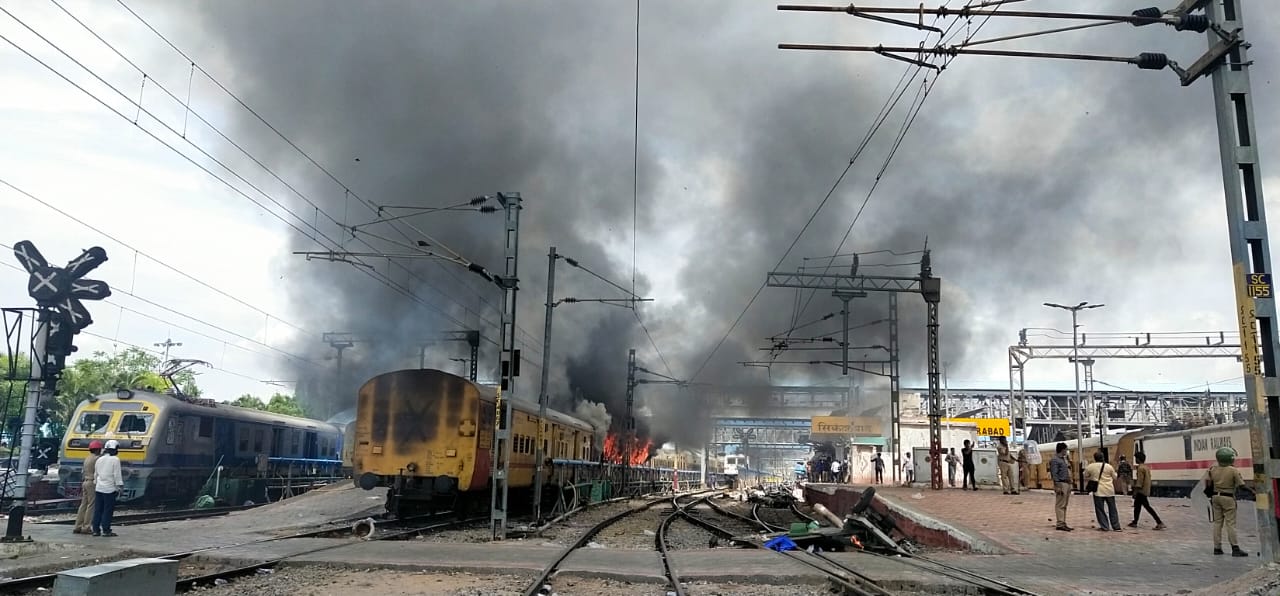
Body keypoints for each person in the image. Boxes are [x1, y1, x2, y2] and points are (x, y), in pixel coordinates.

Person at [1204, 447, 1250, 556]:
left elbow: (1207, 484)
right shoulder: (1233, 470)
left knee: (1217, 523)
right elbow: (1242, 486)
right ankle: (1235, 548)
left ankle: (1217, 548)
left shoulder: (1212, 469)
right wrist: (1253, 492)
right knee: (1230, 523)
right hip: (1228, 498)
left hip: (1215, 498)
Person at [91, 439, 123, 537]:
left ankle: (95, 530)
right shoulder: (115, 460)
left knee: (98, 509)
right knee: (107, 510)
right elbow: (117, 475)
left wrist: (96, 483)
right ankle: (106, 530)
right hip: (109, 489)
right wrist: (120, 486)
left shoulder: (99, 459)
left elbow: (96, 474)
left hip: (99, 488)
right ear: (114, 449)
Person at [1129, 452, 1165, 530]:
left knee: (1147, 507)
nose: (1135, 460)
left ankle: (1159, 522)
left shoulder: (1140, 468)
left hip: (1141, 491)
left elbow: (1139, 482)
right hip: (1145, 489)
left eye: (1136, 458)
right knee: (1137, 506)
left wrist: (1135, 491)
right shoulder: (1146, 467)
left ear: (1138, 459)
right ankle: (1135, 522)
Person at [1085, 451, 1120, 532]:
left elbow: (1085, 475)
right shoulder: (1109, 466)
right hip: (1109, 490)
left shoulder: (1091, 466)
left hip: (1098, 491)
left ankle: (1104, 526)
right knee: (1112, 509)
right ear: (1103, 458)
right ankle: (1116, 526)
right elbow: (1115, 477)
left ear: (1095, 458)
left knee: (1100, 509)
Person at [72, 440, 102, 535]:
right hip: (92, 483)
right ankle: (86, 527)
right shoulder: (97, 459)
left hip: (85, 482)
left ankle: (78, 526)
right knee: (91, 505)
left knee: (83, 504)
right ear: (97, 449)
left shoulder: (87, 458)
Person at [1050, 442, 1073, 531]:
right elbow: (1054, 474)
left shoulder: (1064, 459)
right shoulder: (1055, 460)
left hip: (1067, 483)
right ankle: (1060, 523)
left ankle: (1063, 522)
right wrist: (1057, 486)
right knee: (1060, 504)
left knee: (1064, 504)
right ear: (1062, 450)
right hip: (1061, 483)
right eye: (1066, 449)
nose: (1067, 451)